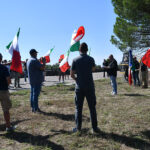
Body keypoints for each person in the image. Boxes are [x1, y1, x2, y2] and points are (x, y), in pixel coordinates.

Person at [70, 42, 99, 133]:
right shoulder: (91, 59)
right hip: (90, 86)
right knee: (92, 107)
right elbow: (93, 69)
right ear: (87, 50)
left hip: (79, 86)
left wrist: (76, 79)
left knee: (78, 108)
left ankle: (78, 128)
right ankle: (94, 128)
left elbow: (71, 74)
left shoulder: (75, 59)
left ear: (79, 50)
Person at [0, 53, 15, 132]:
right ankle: (8, 127)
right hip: (3, 91)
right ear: (1, 59)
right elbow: (8, 81)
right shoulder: (4, 68)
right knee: (5, 110)